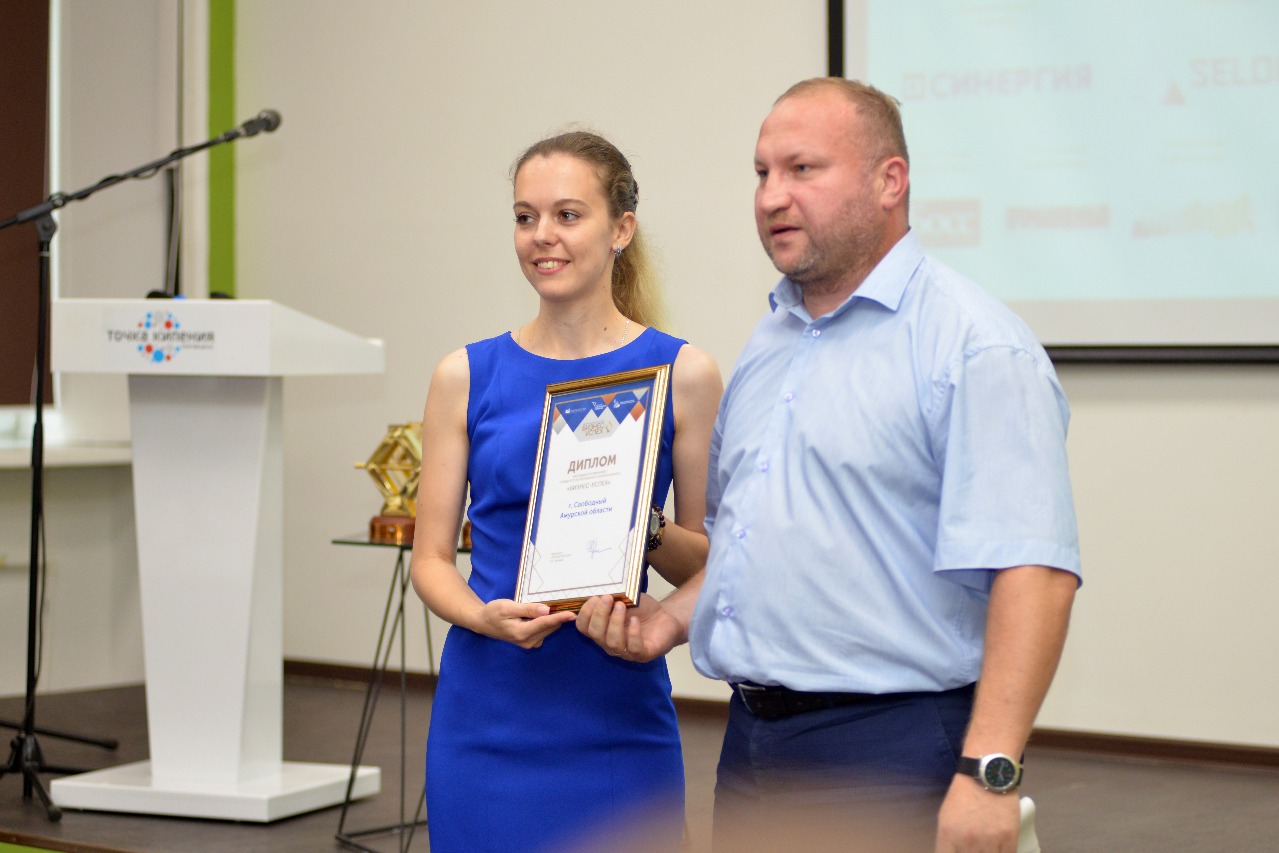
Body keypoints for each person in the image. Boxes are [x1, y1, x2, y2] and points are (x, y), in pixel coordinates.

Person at [578, 78, 1081, 852]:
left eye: (802, 169)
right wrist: (669, 619)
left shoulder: (974, 346)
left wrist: (989, 772)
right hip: (750, 742)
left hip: (889, 751)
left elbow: (1033, 572)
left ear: (889, 181)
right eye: (761, 173)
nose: (771, 196)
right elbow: (748, 543)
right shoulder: (771, 342)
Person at [409, 130, 723, 853]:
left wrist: (637, 524)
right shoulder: (464, 374)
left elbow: (707, 562)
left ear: (621, 229)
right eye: (525, 217)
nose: (541, 236)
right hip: (486, 712)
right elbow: (429, 560)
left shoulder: (685, 374)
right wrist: (483, 617)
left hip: (616, 711)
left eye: (567, 215)